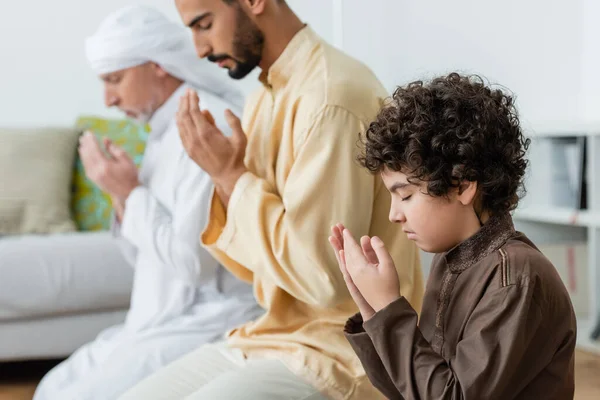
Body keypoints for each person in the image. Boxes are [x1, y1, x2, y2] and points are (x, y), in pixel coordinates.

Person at [119, 1, 423, 399]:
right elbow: (259, 270)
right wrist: (225, 178)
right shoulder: (264, 97)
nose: (198, 49)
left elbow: (324, 279)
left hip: (343, 351)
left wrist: (231, 176)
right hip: (272, 337)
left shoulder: (331, 98)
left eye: (204, 24)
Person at [33, 5, 262, 400]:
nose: (108, 99)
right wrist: (122, 196)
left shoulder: (206, 125)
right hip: (156, 320)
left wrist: (130, 194)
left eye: (115, 79)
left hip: (207, 320)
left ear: (157, 65)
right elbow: (146, 258)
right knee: (51, 386)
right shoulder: (161, 132)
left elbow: (193, 264)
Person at [334, 72, 577, 399]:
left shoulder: (516, 279)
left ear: (462, 185)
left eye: (405, 195)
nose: (394, 214)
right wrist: (373, 311)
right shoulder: (452, 263)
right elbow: (412, 389)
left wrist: (390, 308)